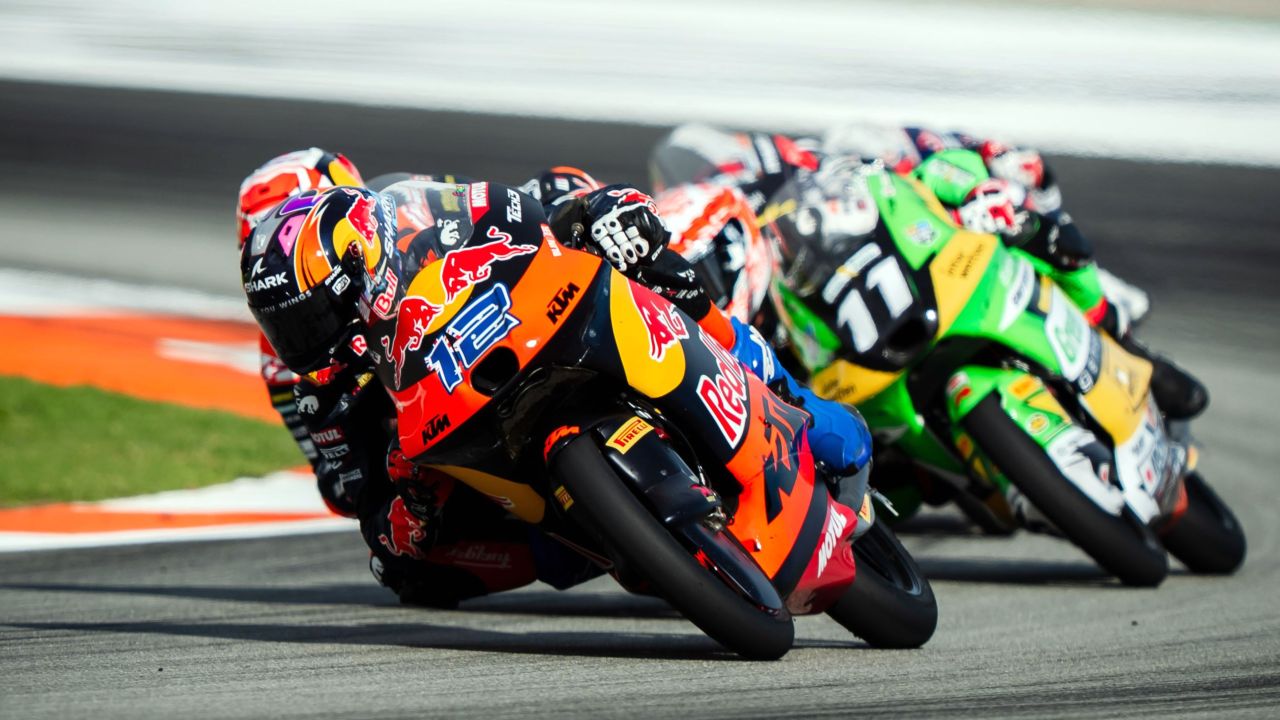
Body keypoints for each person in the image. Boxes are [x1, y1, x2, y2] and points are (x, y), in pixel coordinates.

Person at [239, 169, 873, 607]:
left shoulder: (420, 222)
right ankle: (605, 539)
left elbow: (530, 205)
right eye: (287, 328)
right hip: (462, 460)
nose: (304, 342)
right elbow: (354, 497)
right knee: (408, 574)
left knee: (649, 266)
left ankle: (783, 394)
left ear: (359, 263)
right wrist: (407, 510)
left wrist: (594, 213)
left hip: (524, 338)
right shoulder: (322, 391)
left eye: (312, 318)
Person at [649, 124, 1206, 419]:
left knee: (1021, 207)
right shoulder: (726, 267)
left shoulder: (796, 161)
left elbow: (901, 156)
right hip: (847, 343)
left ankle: (1114, 326)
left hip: (912, 244)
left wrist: (977, 177)